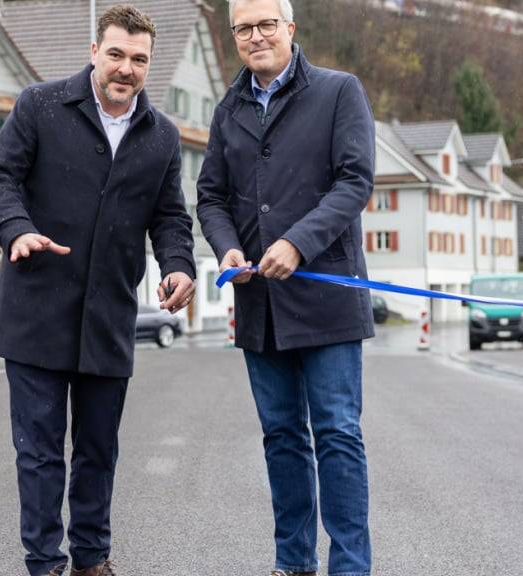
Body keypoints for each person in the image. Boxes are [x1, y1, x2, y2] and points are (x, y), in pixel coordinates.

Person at [0, 5, 196, 576]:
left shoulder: (162, 137)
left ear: (150, 64)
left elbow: (171, 217)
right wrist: (16, 230)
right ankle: (45, 562)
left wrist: (177, 265)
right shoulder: (39, 106)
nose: (126, 68)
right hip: (35, 315)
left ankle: (91, 559)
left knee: (99, 452)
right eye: (117, 54)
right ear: (94, 51)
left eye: (139, 59)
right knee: (41, 454)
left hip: (108, 319)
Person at [196, 0, 375, 575]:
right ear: (234, 37)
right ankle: (292, 564)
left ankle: (350, 567)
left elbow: (355, 181)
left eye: (266, 24)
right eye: (243, 28)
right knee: (281, 438)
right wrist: (227, 246)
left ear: (290, 29)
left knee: (338, 436)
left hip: (328, 300)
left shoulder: (339, 91)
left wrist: (298, 243)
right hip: (260, 305)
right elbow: (211, 198)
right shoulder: (228, 110)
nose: (255, 36)